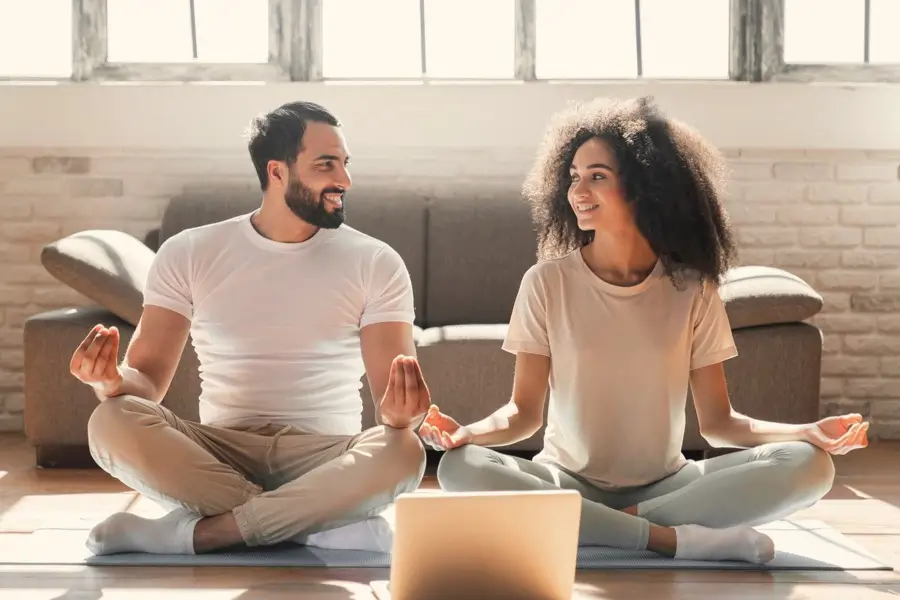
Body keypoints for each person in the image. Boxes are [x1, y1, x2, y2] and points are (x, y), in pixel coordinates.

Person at [420, 97, 869, 565]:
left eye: (597, 176)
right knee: (460, 468)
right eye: (573, 176)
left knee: (811, 466)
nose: (577, 190)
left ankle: (596, 524)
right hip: (564, 479)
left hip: (668, 484)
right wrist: (466, 434)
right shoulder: (546, 282)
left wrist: (807, 432)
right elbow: (524, 414)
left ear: (645, 187)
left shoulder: (692, 288)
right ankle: (667, 538)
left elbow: (719, 423)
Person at [73, 101, 430, 556]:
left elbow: (393, 410)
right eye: (326, 165)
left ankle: (198, 534)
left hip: (326, 457)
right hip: (217, 456)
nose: (344, 180)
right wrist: (110, 381)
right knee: (111, 419)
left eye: (344, 163)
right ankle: (316, 524)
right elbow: (145, 384)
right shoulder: (190, 252)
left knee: (404, 452)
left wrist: (403, 417)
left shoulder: (376, 262)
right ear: (277, 172)